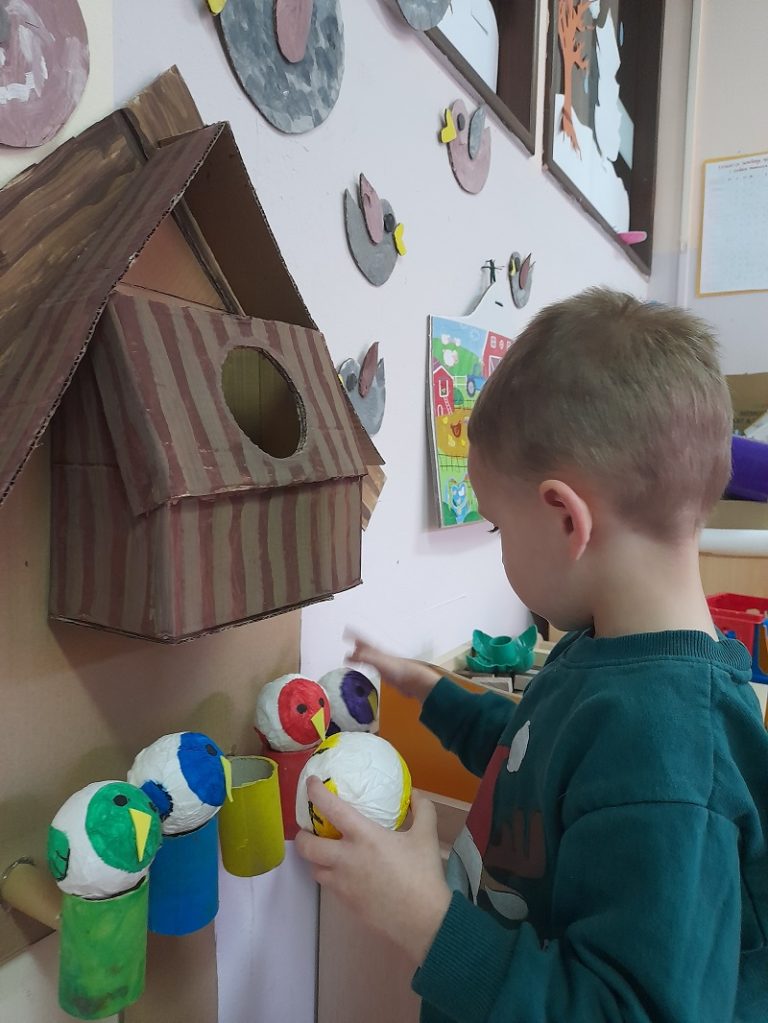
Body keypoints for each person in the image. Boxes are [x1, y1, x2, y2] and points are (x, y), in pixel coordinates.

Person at [296, 289, 768, 1023]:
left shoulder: (673, 758)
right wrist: (432, 691)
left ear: (565, 518)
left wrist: (426, 920)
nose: (500, 549)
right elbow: (537, 759)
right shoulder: (603, 649)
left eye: (496, 528)